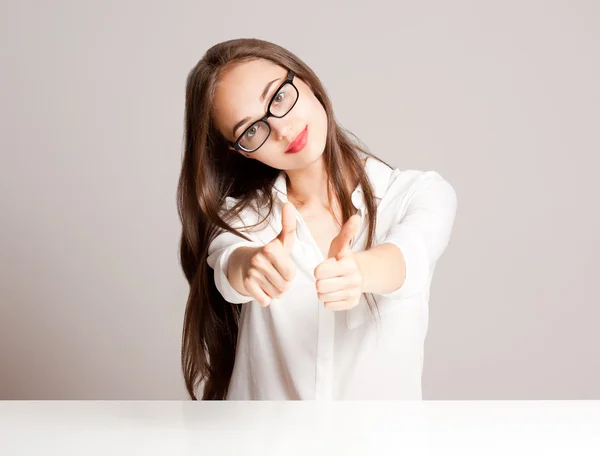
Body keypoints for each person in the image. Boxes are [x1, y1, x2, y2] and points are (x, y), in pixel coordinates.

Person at [177, 38, 458, 400]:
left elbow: (410, 257)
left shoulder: (418, 194)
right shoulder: (243, 218)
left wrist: (361, 272)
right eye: (251, 130)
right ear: (240, 151)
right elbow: (231, 265)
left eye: (277, 97)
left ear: (306, 80)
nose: (280, 129)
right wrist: (251, 267)